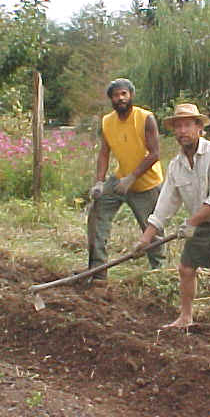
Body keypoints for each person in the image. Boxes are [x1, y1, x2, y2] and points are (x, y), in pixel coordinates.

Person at [136, 103, 210, 350]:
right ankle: (185, 317)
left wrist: (190, 223)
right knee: (186, 269)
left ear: (199, 128)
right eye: (178, 126)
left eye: (188, 125)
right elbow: (165, 205)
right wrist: (146, 238)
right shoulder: (177, 166)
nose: (182, 131)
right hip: (199, 222)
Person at [87, 78, 164, 280]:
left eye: (124, 94)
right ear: (111, 99)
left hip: (147, 184)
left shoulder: (145, 118)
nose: (120, 98)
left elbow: (155, 154)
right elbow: (104, 153)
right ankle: (97, 271)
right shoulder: (107, 122)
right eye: (116, 95)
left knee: (152, 229)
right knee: (97, 212)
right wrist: (100, 182)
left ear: (131, 95)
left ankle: (160, 274)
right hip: (120, 180)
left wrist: (132, 178)